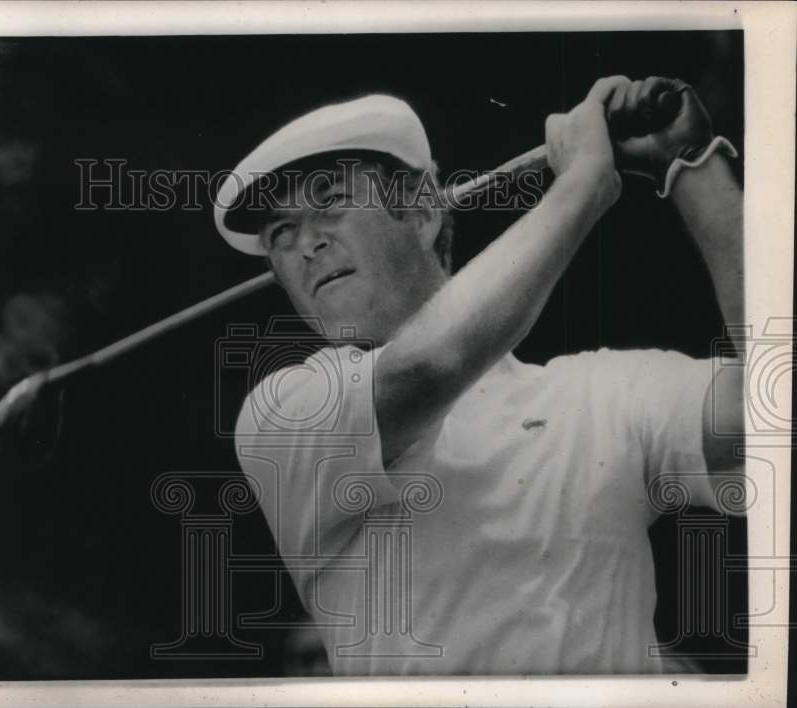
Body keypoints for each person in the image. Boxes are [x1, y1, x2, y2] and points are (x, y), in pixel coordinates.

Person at [215, 76, 744, 675]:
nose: (307, 243)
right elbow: (431, 364)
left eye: (331, 201)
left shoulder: (600, 393)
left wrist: (692, 164)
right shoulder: (284, 410)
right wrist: (581, 186)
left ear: (421, 211)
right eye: (281, 233)